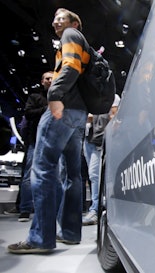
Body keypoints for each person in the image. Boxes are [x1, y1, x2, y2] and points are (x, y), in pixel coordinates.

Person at [8, 8, 89, 254]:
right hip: (79, 114)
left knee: (43, 168)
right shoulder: (82, 41)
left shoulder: (71, 35)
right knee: (73, 176)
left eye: (61, 18)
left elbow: (71, 67)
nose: (55, 22)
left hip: (63, 109)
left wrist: (54, 95)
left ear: (75, 22)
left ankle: (41, 237)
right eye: (54, 18)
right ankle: (71, 233)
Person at [18, 71, 53, 222]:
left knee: (54, 177)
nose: (50, 80)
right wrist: (46, 109)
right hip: (36, 140)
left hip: (55, 141)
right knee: (29, 176)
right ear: (42, 81)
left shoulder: (61, 97)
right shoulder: (35, 97)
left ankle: (49, 209)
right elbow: (28, 112)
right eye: (47, 78)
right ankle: (25, 209)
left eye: (52, 78)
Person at [82, 94, 120, 225]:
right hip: (88, 139)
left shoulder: (112, 97)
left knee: (95, 175)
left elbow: (114, 117)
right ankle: (99, 208)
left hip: (101, 139)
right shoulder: (87, 96)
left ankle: (96, 209)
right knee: (94, 176)